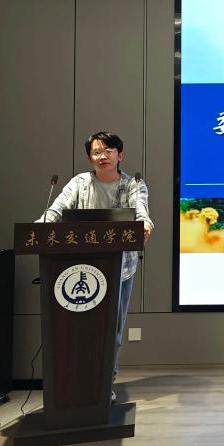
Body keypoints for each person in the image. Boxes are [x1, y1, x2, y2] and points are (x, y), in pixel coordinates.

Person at [38, 131, 153, 401]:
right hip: (78, 267)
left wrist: (145, 225)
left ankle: (104, 383)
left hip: (120, 268)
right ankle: (72, 383)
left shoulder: (133, 184)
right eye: (97, 152)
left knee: (112, 329)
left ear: (119, 155)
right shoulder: (79, 183)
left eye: (108, 151)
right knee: (77, 329)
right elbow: (56, 210)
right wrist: (41, 226)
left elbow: (141, 212)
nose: (103, 156)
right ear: (89, 157)